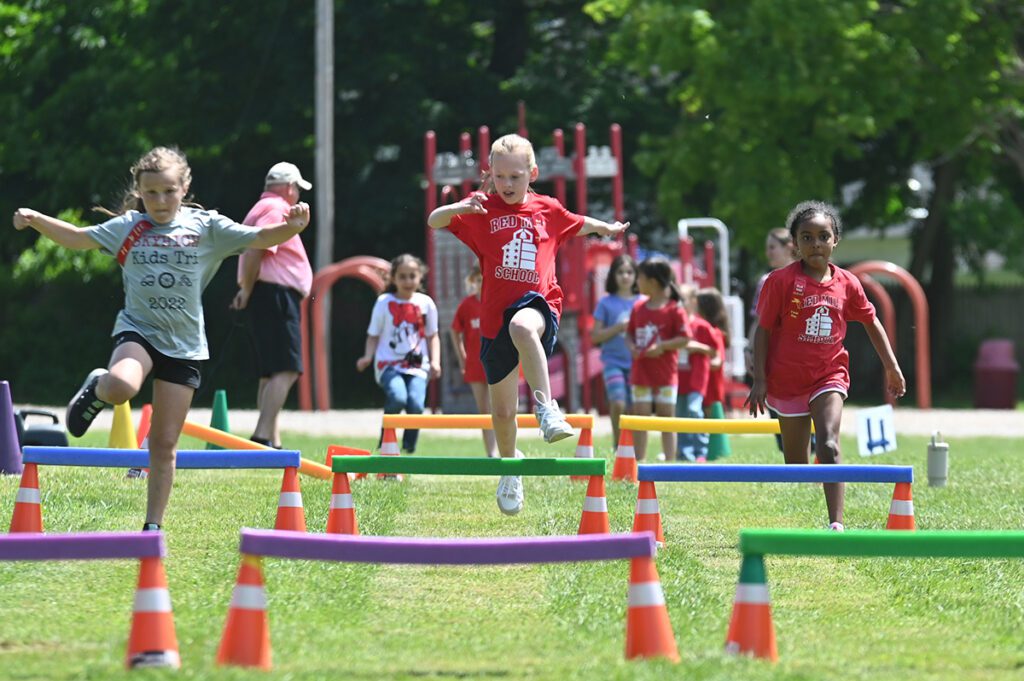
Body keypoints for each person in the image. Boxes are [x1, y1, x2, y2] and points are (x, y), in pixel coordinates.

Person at [12, 146, 310, 532]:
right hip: (139, 329)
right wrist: (36, 219)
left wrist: (293, 227)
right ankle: (100, 387)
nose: (160, 201)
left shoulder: (207, 228)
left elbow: (260, 236)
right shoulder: (129, 227)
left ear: (184, 187)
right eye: (151, 193)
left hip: (185, 345)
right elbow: (78, 238)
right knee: (122, 385)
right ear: (139, 190)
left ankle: (152, 526)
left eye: (168, 191)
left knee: (163, 445)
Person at [427, 133, 628, 515]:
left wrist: (607, 228)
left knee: (522, 326)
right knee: (502, 414)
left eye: (516, 177)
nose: (507, 184)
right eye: (499, 176)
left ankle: (547, 408)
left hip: (539, 305)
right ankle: (510, 469)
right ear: (489, 174)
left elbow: (577, 222)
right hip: (492, 318)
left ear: (532, 173)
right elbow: (434, 220)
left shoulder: (546, 209)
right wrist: (462, 205)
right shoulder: (481, 210)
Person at [746, 200, 906, 531]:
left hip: (829, 374)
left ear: (835, 240)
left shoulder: (847, 283)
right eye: (807, 237)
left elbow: (871, 322)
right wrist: (760, 379)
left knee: (830, 444)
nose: (816, 244)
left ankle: (836, 523)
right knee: (796, 467)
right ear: (795, 244)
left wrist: (891, 367)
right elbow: (762, 330)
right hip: (785, 380)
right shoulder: (780, 281)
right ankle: (805, 477)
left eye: (823, 236)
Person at [229, 162, 314, 449]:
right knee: (287, 369)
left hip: (266, 293)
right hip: (276, 295)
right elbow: (257, 248)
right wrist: (247, 289)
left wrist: (247, 289)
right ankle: (263, 435)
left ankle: (272, 438)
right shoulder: (276, 209)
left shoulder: (260, 207)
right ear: (290, 187)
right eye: (297, 190)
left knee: (270, 371)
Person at [356, 254, 440, 454]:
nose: (408, 281)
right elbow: (373, 335)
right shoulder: (384, 302)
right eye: (402, 276)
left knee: (416, 404)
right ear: (393, 278)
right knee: (398, 397)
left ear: (420, 277)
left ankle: (408, 448)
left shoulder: (426, 303)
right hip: (389, 364)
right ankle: (386, 440)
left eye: (412, 276)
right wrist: (368, 356)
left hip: (418, 366)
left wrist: (436, 361)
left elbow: (433, 335)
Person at [626, 257, 691, 463]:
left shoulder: (674, 309)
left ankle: (670, 462)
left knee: (666, 418)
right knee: (641, 418)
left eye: (640, 278)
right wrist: (633, 348)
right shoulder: (638, 308)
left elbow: (685, 338)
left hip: (666, 373)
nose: (637, 283)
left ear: (653, 282)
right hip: (641, 373)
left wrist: (662, 346)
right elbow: (629, 334)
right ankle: (639, 462)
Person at [746, 227, 802, 452]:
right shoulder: (765, 280)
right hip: (771, 357)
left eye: (772, 247)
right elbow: (758, 321)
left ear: (789, 247)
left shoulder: (804, 276)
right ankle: (791, 457)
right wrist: (750, 351)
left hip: (799, 355)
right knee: (776, 409)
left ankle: (813, 456)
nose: (768, 253)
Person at [590, 254, 640, 451]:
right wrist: (618, 328)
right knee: (618, 403)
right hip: (613, 362)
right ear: (613, 276)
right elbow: (595, 336)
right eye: (620, 272)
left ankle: (635, 448)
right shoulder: (606, 303)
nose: (625, 276)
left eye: (629, 272)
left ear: (636, 276)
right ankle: (618, 446)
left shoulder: (642, 302)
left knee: (635, 407)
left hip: (637, 364)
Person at [450, 264, 499, 458]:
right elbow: (455, 331)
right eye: (478, 280)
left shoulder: (497, 303)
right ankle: (490, 452)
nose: (481, 284)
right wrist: (462, 358)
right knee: (484, 410)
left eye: (484, 279)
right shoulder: (467, 305)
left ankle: (505, 449)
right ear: (472, 282)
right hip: (475, 363)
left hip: (497, 363)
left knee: (500, 409)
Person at [675, 284, 716, 462]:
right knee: (681, 415)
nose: (680, 304)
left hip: (697, 378)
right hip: (678, 379)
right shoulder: (674, 325)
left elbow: (714, 351)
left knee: (694, 410)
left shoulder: (702, 326)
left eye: (683, 299)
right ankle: (685, 452)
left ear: (693, 301)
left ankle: (701, 451)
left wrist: (696, 347)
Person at [698, 286, 732, 460]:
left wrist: (701, 363)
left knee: (710, 415)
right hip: (703, 383)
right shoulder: (704, 330)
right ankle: (705, 451)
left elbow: (717, 361)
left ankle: (712, 451)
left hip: (711, 384)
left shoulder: (715, 333)